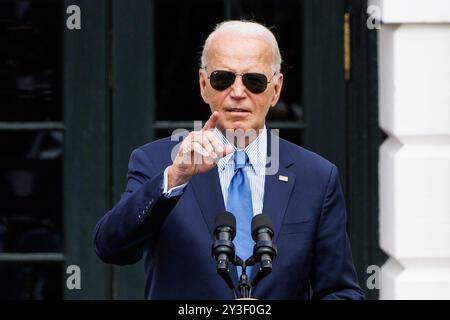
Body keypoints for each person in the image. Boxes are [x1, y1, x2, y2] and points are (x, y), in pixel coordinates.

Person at [93, 20, 364, 300]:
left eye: (254, 81)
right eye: (223, 79)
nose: (237, 92)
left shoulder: (316, 176)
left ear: (276, 89)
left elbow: (339, 290)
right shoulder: (157, 161)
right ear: (203, 85)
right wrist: (175, 177)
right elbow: (111, 247)